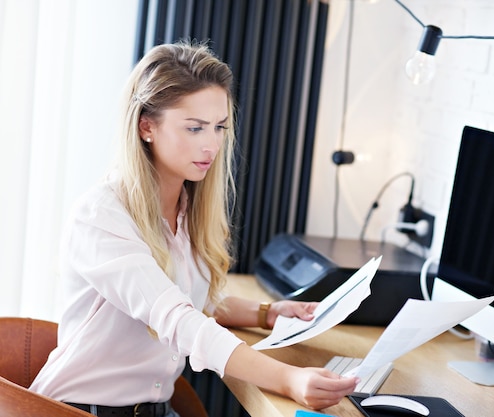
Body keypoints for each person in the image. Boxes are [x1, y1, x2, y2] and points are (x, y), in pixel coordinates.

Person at [29, 41, 359, 416]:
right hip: (78, 410)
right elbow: (176, 318)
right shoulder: (102, 215)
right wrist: (289, 379)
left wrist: (267, 312)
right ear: (146, 127)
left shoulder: (186, 211)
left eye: (219, 127)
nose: (212, 144)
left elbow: (190, 298)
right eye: (195, 128)